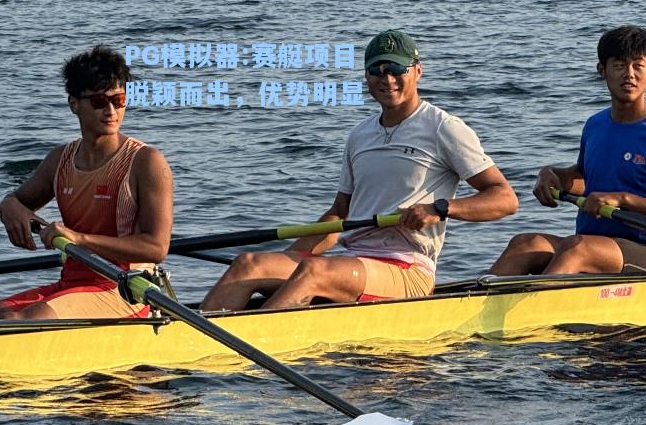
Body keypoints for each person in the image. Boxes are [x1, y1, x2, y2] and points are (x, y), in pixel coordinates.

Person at [201, 30, 516, 312]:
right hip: (353, 260)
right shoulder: (360, 135)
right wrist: (288, 263)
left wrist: (440, 209)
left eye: (395, 69)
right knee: (249, 264)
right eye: (376, 70)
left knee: (315, 273)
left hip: (407, 269)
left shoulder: (444, 128)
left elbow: (504, 199)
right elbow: (339, 214)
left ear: (417, 71)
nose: (386, 78)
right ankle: (189, 337)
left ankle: (248, 341)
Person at [488, 24, 646, 276]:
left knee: (577, 248)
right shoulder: (595, 125)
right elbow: (586, 180)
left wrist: (623, 199)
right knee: (524, 243)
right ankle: (469, 306)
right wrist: (554, 176)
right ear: (602, 71)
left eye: (637, 66)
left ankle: (533, 309)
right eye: (619, 65)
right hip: (594, 244)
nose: (629, 74)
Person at [0, 46, 175, 320]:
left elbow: (156, 248)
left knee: (17, 321)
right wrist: (8, 205)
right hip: (72, 285)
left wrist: (79, 239)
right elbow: (16, 201)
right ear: (74, 104)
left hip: (124, 289)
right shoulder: (60, 159)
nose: (111, 111)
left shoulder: (147, 162)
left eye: (118, 100)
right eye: (98, 101)